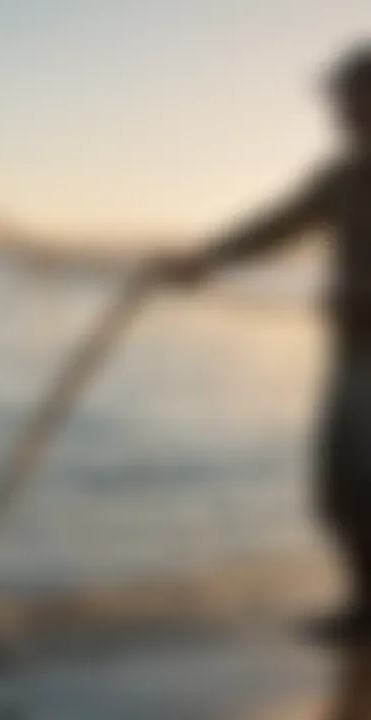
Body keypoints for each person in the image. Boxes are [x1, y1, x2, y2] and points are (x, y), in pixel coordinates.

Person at [150, 43, 371, 641]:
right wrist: (203, 261)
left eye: (350, 103)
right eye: (338, 106)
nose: (339, 117)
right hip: (351, 355)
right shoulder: (340, 178)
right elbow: (274, 226)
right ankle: (364, 609)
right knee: (336, 491)